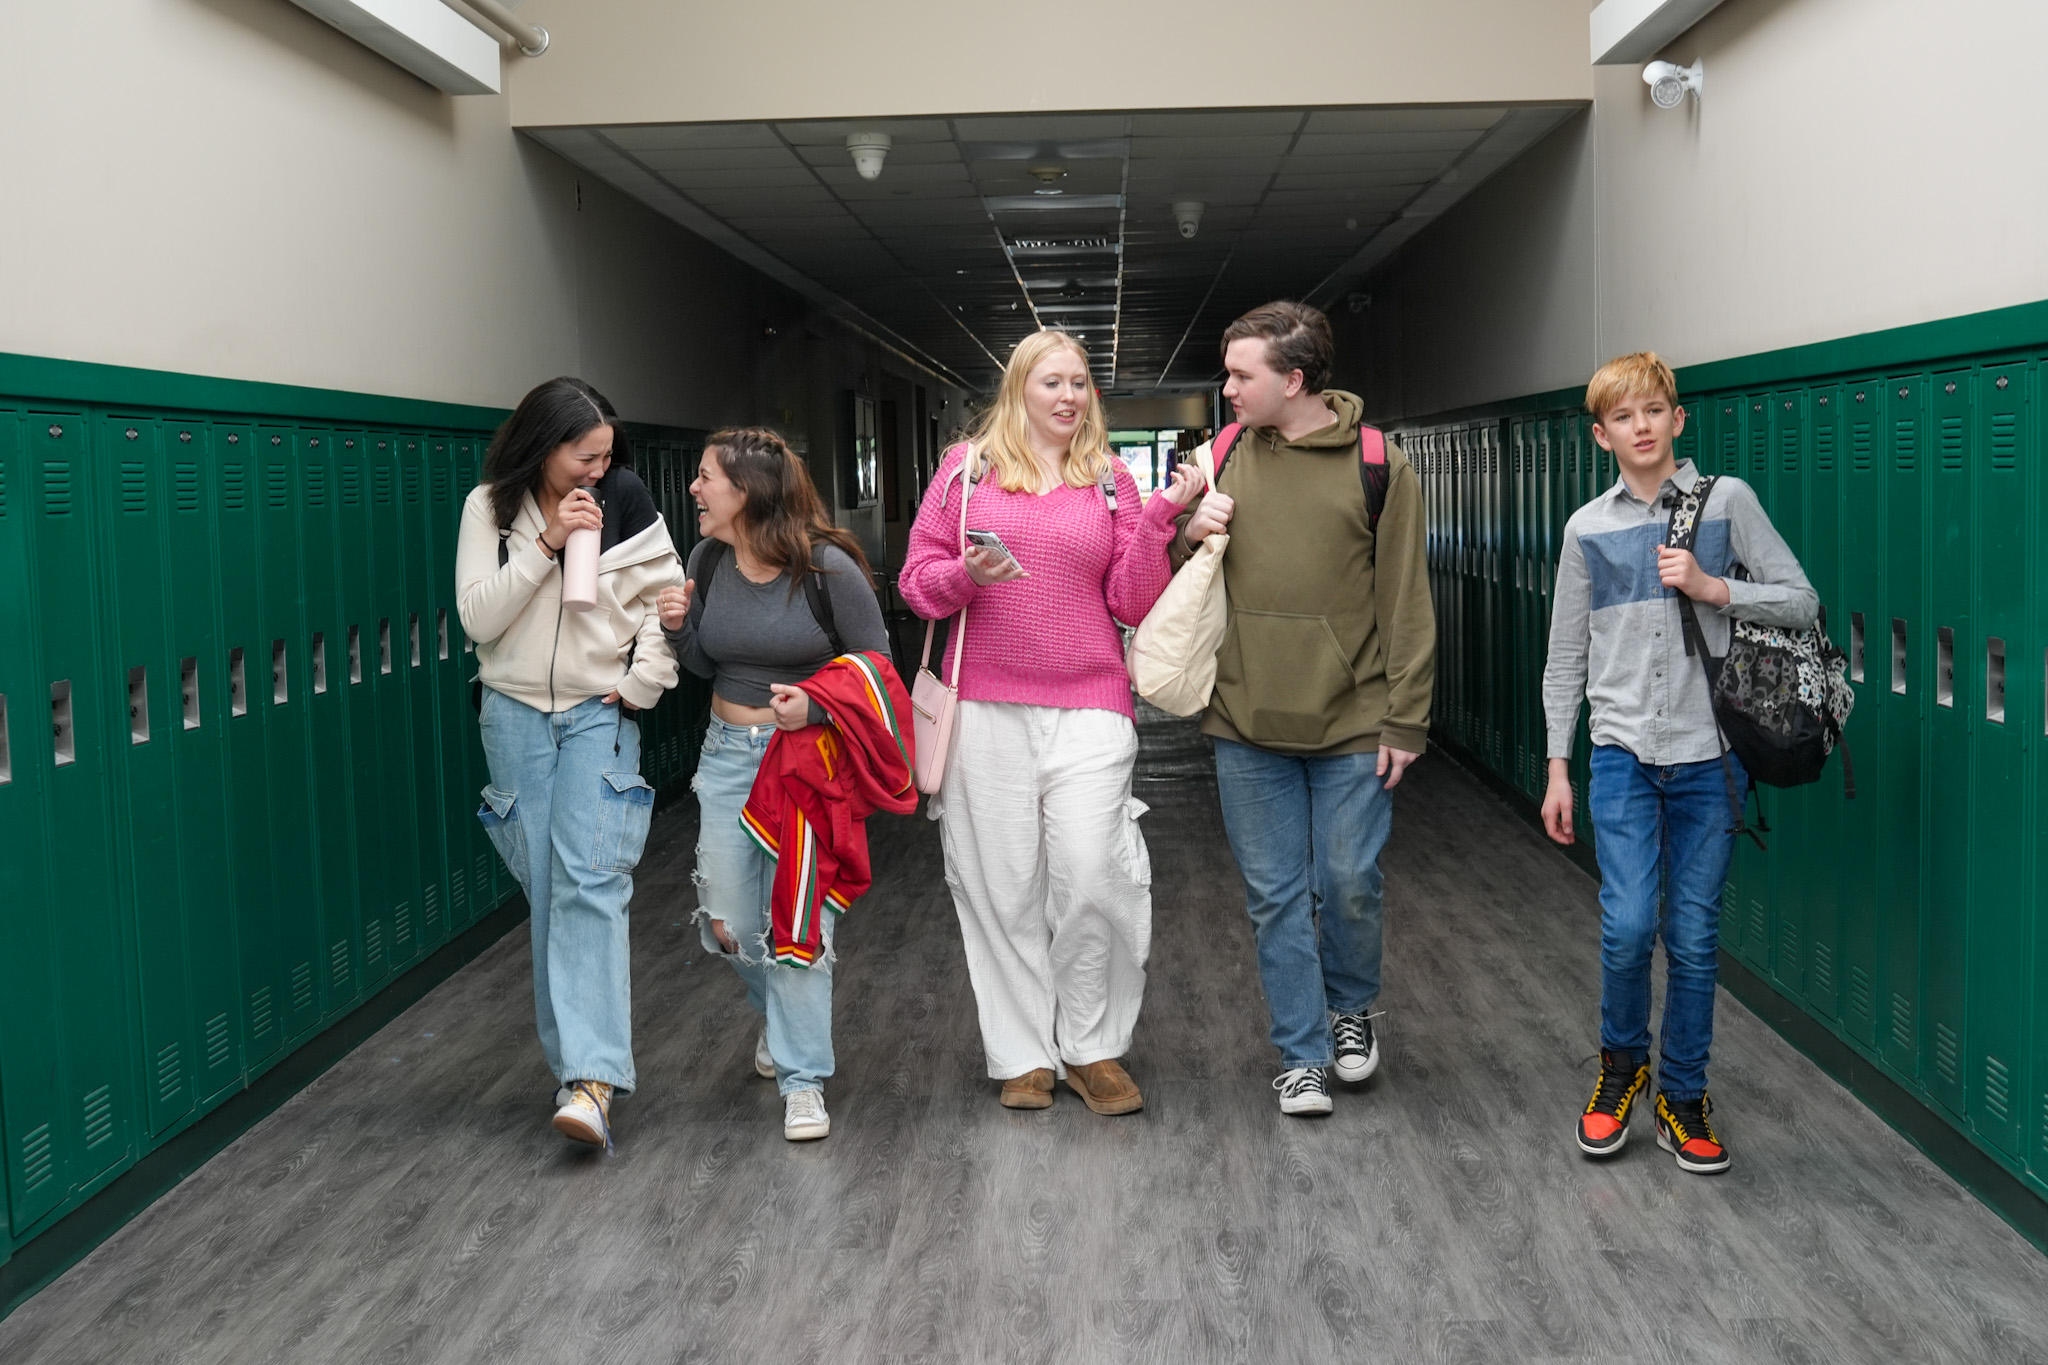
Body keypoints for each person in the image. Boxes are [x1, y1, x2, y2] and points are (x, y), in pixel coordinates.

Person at [900, 329, 1203, 1115]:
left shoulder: (1108, 480)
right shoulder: (965, 473)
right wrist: (967, 573)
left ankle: (1093, 1045)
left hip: (1091, 704)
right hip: (984, 706)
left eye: (1078, 383)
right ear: (1018, 391)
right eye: (1051, 382)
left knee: (1095, 872)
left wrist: (1160, 519)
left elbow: (1132, 600)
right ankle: (1024, 1053)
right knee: (1000, 882)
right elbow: (917, 584)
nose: (1068, 396)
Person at [1541, 352, 1816, 1175]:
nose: (1643, 426)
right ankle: (1622, 1067)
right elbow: (1566, 656)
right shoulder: (1586, 529)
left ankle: (1683, 1096)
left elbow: (1802, 599)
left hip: (1712, 758)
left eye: (1655, 410)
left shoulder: (1727, 502)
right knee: (1628, 927)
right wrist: (1557, 766)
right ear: (1602, 435)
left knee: (1693, 937)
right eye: (1624, 416)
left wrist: (1713, 587)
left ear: (1678, 418)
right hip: (1622, 754)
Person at [1174, 301, 1436, 1117]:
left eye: (1240, 375)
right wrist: (1186, 527)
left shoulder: (1378, 463)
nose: (1226, 390)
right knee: (1276, 897)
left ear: (1293, 380)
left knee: (1348, 880)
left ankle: (1350, 1005)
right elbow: (1169, 576)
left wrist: (1407, 717)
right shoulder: (1222, 455)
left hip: (1354, 717)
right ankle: (1302, 1052)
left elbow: (1406, 600)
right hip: (1245, 718)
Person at [456, 376, 683, 1150]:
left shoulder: (627, 499)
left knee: (590, 881)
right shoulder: (489, 509)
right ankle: (579, 1073)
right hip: (513, 713)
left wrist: (641, 685)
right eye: (585, 456)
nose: (598, 470)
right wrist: (547, 543)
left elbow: (665, 602)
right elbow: (478, 618)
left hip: (598, 711)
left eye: (606, 455)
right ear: (543, 446)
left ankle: (590, 1080)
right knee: (551, 889)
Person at [659, 427, 891, 1142]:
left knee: (798, 922)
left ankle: (803, 1081)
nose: (694, 489)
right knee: (727, 924)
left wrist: (816, 706)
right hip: (728, 756)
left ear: (747, 491)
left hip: (805, 763)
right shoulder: (708, 559)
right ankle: (783, 1019)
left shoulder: (828, 570)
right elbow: (706, 663)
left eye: (705, 477)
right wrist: (678, 630)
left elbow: (878, 666)